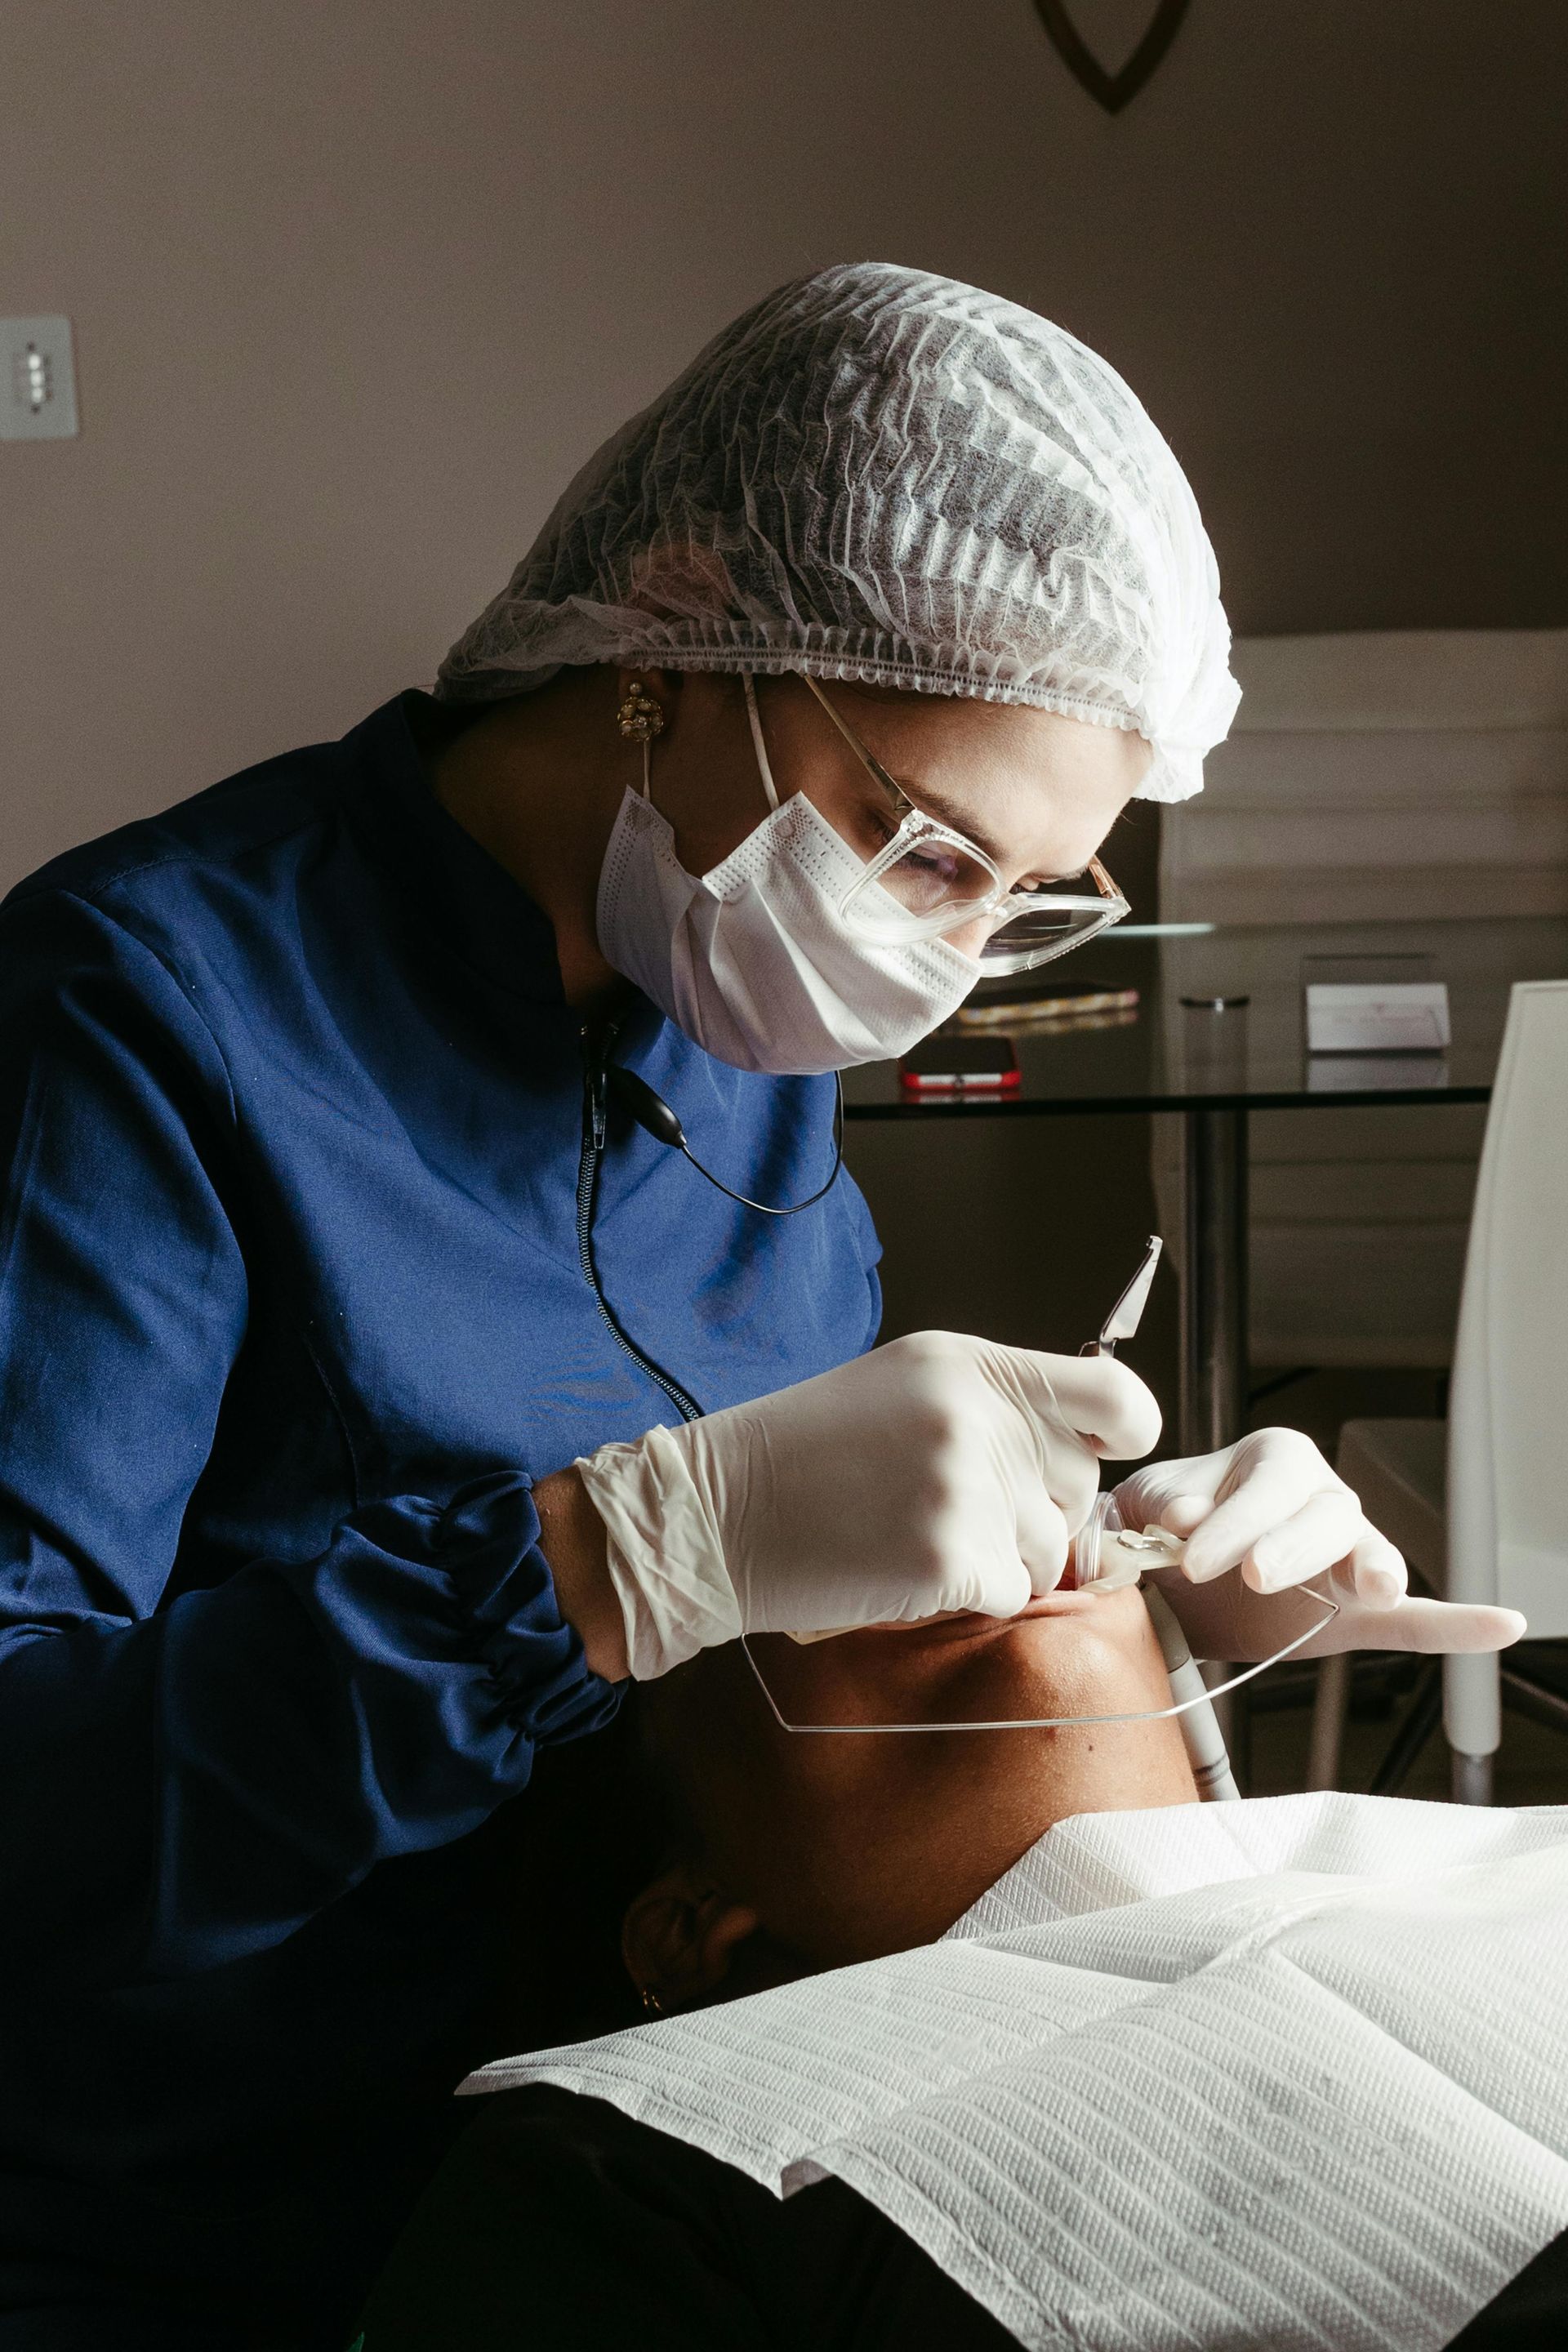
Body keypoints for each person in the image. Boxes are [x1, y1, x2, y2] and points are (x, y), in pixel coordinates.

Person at [0, 263, 1521, 2352]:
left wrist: (1160, 1620)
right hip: (230, 2226)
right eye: (916, 843)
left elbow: (790, 1668)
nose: (939, 957)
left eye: (1023, 896)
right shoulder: (145, 1014)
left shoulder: (738, 1015)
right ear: (682, 621)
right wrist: (603, 1570)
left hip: (673, 2146)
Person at [355, 1590, 1563, 2352]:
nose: (957, 1556)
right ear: (689, 1926)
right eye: (800, 1579)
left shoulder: (1507, 1859)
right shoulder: (623, 2161)